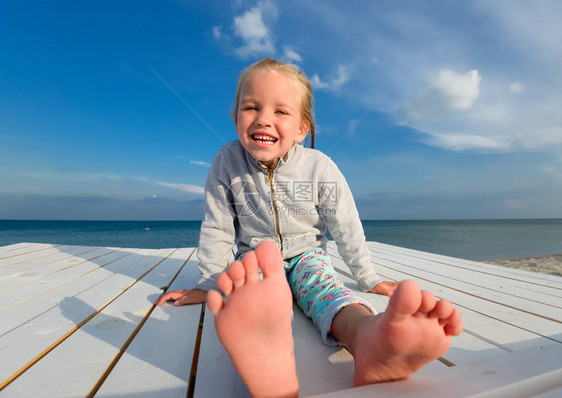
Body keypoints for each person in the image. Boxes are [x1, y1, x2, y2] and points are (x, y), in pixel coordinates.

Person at [156, 57, 463, 397]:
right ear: (235, 118)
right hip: (255, 260)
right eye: (251, 107)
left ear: (302, 128)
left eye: (280, 112)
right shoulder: (226, 162)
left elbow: (345, 223)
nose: (263, 119)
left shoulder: (319, 167)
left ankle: (365, 337)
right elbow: (218, 227)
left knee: (327, 294)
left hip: (307, 256)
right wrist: (209, 283)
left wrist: (367, 277)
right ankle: (267, 350)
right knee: (248, 297)